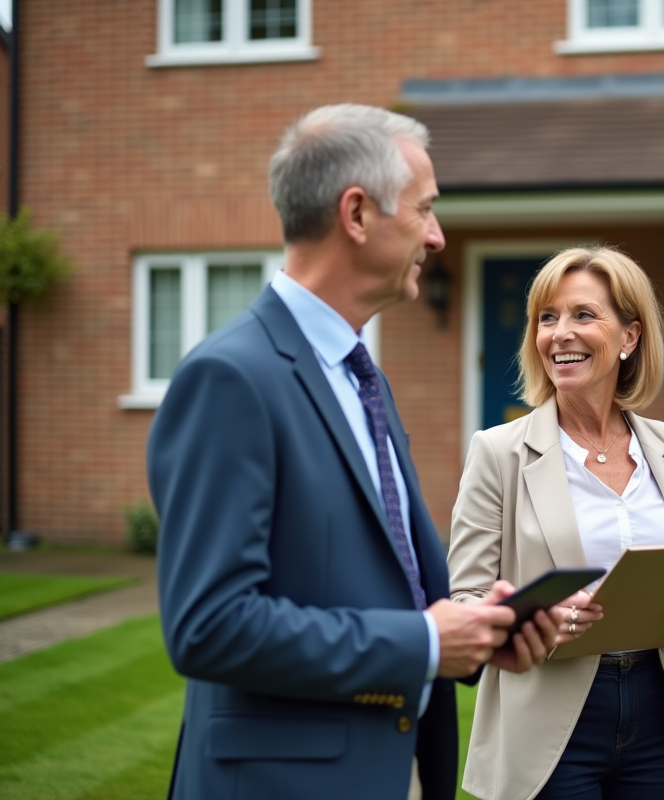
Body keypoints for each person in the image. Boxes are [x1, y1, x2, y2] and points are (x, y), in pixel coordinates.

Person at [148, 104, 556, 800]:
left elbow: (381, 581)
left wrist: (478, 628)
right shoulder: (231, 378)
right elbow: (208, 626)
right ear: (358, 214)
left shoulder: (361, 377)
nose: (437, 234)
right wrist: (424, 644)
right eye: (425, 209)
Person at [447, 246, 664, 800]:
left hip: (662, 711)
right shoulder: (497, 452)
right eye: (547, 318)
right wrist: (533, 620)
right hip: (547, 719)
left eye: (583, 315)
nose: (560, 333)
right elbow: (466, 599)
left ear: (630, 337)